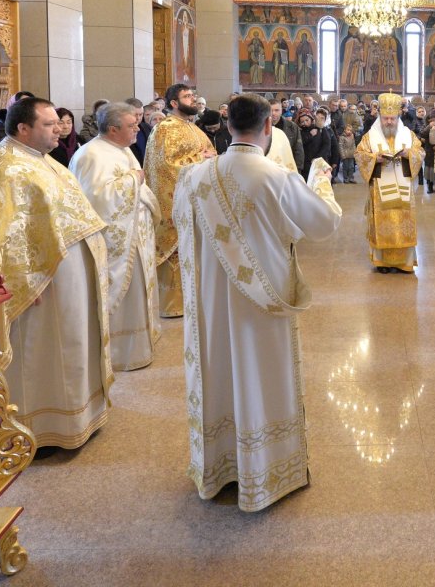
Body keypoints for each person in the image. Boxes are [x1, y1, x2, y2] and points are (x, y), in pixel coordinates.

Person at [173, 93, 341, 511]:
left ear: (228, 125)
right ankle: (266, 468)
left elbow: (181, 228)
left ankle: (220, 466)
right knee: (261, 372)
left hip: (212, 300)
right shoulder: (277, 176)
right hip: (264, 299)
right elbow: (323, 224)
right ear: (268, 126)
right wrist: (321, 180)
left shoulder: (194, 177)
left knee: (219, 370)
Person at [0, 97, 112, 449]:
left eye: (57, 123)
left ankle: (76, 415)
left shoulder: (40, 160)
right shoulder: (1, 170)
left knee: (67, 349)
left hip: (62, 283)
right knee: (38, 356)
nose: (58, 130)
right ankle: (32, 428)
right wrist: (16, 283)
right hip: (37, 289)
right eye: (49, 124)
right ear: (23, 128)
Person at [70, 103, 161, 371]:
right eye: (131, 126)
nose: (138, 129)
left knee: (139, 291)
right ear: (112, 129)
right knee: (123, 295)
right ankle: (120, 354)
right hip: (116, 240)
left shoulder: (121, 148)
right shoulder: (91, 155)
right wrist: (133, 179)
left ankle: (139, 347)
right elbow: (96, 199)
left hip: (135, 235)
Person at [146, 83, 217, 317]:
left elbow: (209, 152)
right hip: (176, 202)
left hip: (196, 201)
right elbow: (165, 166)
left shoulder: (191, 126)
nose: (193, 99)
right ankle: (174, 305)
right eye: (187, 96)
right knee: (176, 252)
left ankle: (194, 300)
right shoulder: (165, 128)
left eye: (193, 95)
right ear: (174, 103)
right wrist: (201, 159)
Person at [354, 92, 425, 273]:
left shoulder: (408, 134)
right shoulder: (370, 136)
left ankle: (404, 263)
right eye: (385, 118)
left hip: (403, 187)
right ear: (380, 116)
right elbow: (359, 154)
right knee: (383, 225)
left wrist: (409, 154)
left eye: (392, 118)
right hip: (380, 188)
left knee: (403, 224)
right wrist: (374, 158)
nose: (389, 122)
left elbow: (420, 152)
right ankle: (383, 263)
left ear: (398, 116)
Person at [298, 108, 331, 181]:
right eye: (302, 121)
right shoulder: (299, 132)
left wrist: (317, 158)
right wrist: (310, 135)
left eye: (307, 120)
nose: (304, 123)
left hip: (319, 162)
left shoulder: (320, 129)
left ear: (311, 119)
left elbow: (326, 144)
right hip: (306, 164)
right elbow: (300, 144)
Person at [266, 101, 299, 173]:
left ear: (281, 111)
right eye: (270, 110)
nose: (273, 113)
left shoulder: (292, 127)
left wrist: (298, 170)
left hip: (287, 167)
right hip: (268, 168)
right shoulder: (261, 127)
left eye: (276, 110)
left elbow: (298, 149)